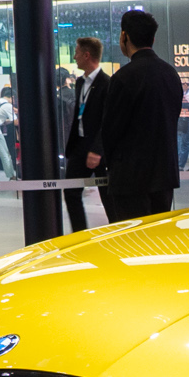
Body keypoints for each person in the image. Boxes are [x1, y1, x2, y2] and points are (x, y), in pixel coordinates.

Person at [90, 8, 184, 221]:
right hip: (164, 175)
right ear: (153, 38)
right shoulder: (170, 74)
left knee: (132, 236)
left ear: (124, 36)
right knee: (159, 235)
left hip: (130, 178)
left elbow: (111, 129)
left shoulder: (123, 77)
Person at [60, 35, 110, 233]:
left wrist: (97, 150)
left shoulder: (107, 83)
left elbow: (107, 121)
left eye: (77, 53)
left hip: (100, 149)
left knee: (109, 197)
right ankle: (80, 236)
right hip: (80, 146)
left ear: (87, 55)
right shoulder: (80, 82)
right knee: (71, 192)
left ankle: (119, 236)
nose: (75, 57)